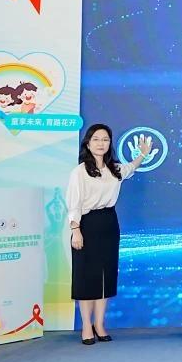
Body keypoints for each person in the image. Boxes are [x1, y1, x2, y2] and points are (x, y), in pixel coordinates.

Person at [67, 123, 151, 345]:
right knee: (86, 276)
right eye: (96, 139)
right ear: (88, 143)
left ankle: (100, 324)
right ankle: (86, 326)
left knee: (105, 276)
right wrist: (75, 230)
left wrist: (142, 154)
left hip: (109, 223)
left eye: (105, 139)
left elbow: (130, 168)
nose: (101, 143)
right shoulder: (79, 172)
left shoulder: (114, 169)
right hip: (86, 224)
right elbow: (74, 204)